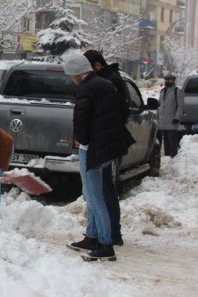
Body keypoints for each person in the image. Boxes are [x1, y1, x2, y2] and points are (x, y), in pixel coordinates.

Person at [63, 53, 133, 261]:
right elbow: (122, 111)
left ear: (77, 73)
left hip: (91, 149)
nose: (70, 79)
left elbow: (81, 122)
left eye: (71, 75)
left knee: (94, 198)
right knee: (96, 194)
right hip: (107, 149)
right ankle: (92, 236)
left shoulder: (86, 90)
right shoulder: (106, 84)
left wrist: (83, 140)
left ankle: (105, 244)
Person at [83, 49, 132, 246]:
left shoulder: (109, 82)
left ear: (96, 66)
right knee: (103, 188)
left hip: (104, 142)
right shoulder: (111, 78)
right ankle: (106, 232)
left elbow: (112, 113)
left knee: (103, 189)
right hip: (107, 140)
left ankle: (110, 233)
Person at [158, 73, 183, 157]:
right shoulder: (162, 91)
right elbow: (160, 105)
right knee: (165, 140)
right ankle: (167, 155)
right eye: (166, 80)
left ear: (173, 81)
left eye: (170, 80)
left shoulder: (177, 91)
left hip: (172, 120)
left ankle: (173, 155)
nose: (167, 81)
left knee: (172, 139)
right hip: (163, 120)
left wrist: (177, 117)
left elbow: (180, 106)